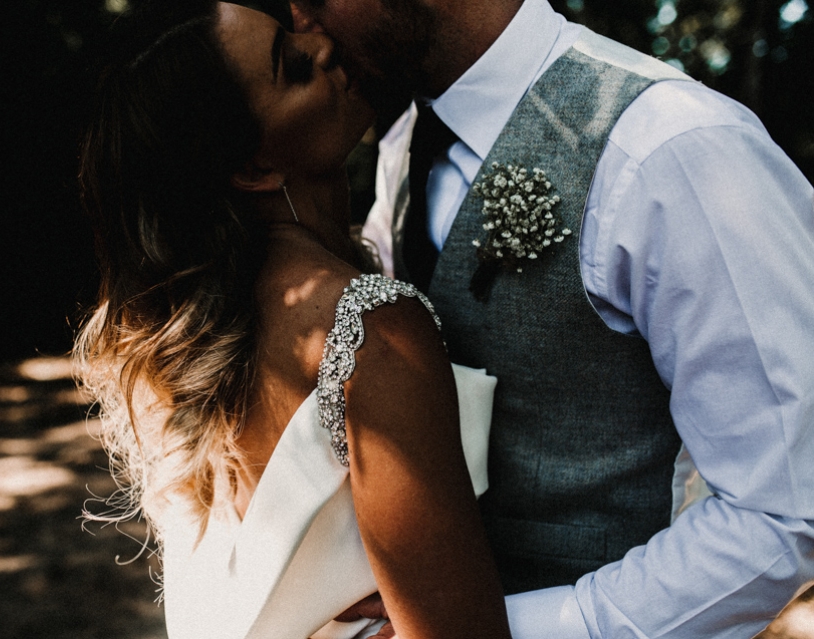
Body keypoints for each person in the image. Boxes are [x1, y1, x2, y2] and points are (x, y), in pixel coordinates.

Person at [291, 0, 814, 636]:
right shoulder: (408, 140)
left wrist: (508, 629)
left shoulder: (674, 146)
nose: (300, 23)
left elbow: (785, 510)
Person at [74, 1, 512, 637]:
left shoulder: (189, 340)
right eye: (294, 66)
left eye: (295, 32)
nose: (325, 46)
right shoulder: (368, 329)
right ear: (255, 167)